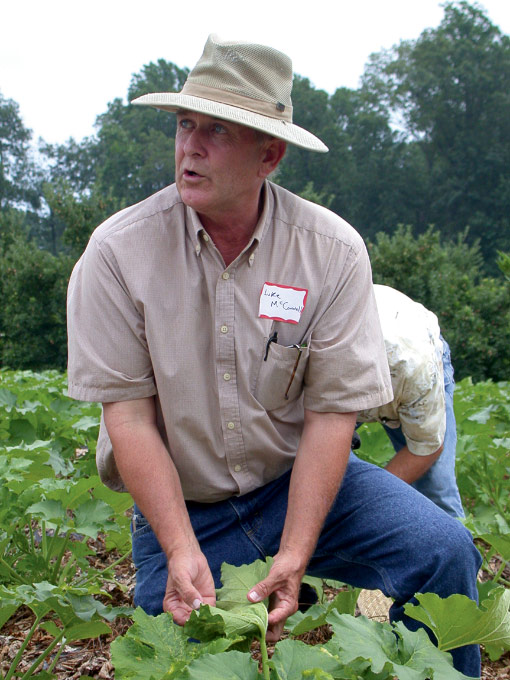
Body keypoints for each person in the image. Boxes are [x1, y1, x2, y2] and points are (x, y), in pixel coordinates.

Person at [67, 35, 481, 677]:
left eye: (217, 131)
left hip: (300, 483)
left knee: (442, 548)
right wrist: (179, 548)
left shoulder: (331, 251)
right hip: (187, 505)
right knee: (169, 649)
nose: (190, 146)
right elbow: (129, 422)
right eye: (184, 124)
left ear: (270, 153)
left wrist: (296, 548)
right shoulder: (119, 254)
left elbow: (331, 415)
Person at [356, 284, 465, 518]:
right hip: (344, 365)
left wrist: (370, 502)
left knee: (436, 488)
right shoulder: (308, 350)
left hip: (412, 355)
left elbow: (426, 449)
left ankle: (452, 550)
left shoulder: (416, 372)